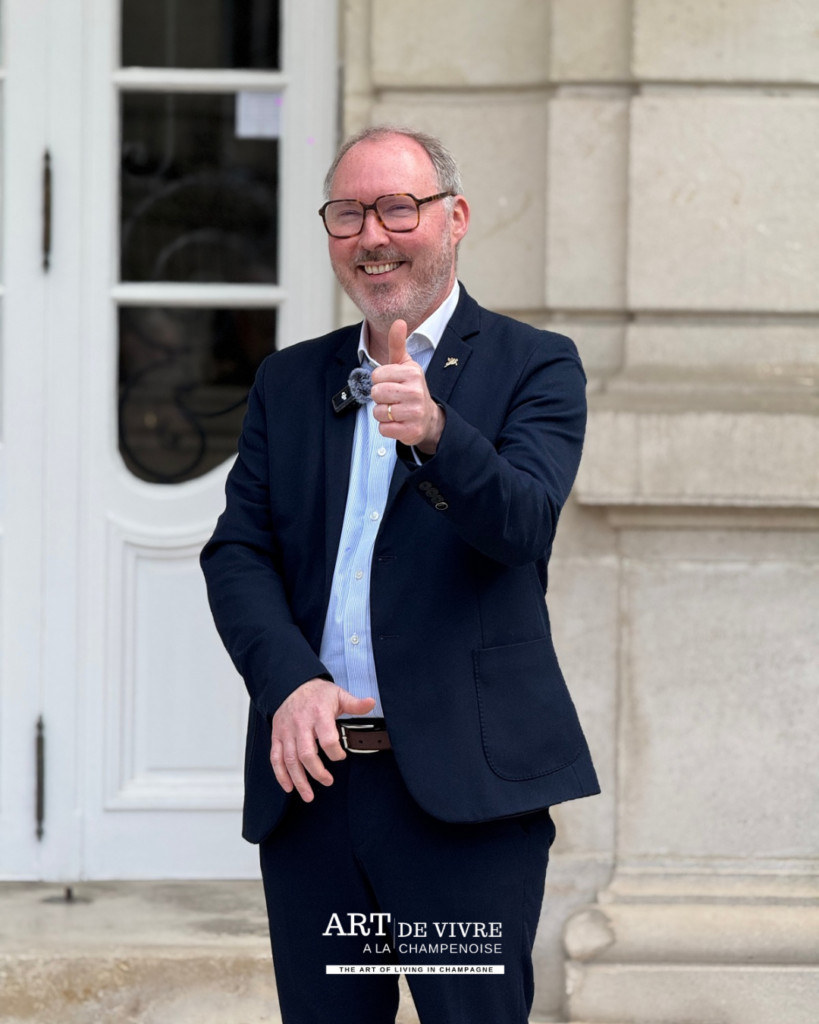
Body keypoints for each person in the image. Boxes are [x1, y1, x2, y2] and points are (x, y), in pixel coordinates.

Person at [200, 124, 600, 1024]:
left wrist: (437, 434)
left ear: (452, 218)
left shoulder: (533, 364)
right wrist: (289, 682)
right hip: (315, 791)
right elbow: (238, 552)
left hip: (461, 800)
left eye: (397, 208)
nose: (372, 235)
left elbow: (523, 525)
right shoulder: (288, 380)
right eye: (348, 213)